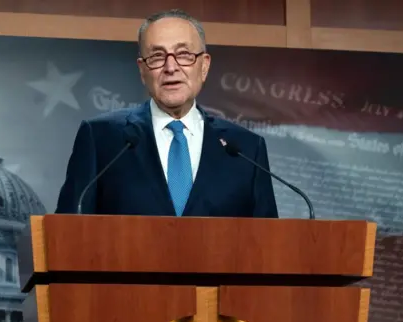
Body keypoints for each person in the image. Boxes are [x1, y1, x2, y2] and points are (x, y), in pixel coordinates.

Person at [55, 9, 278, 218]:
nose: (170, 67)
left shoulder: (246, 149)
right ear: (142, 70)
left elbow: (268, 244)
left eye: (183, 54)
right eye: (157, 57)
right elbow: (67, 232)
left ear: (204, 66)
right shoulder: (101, 138)